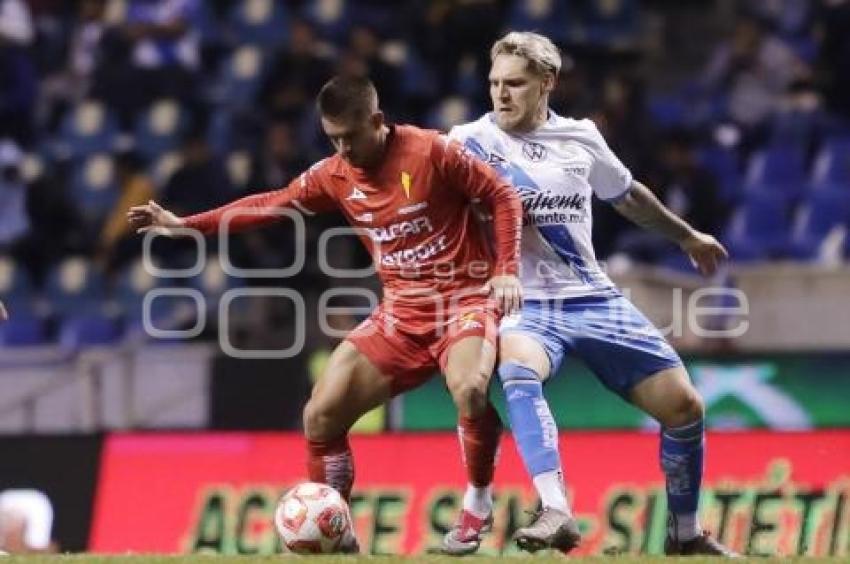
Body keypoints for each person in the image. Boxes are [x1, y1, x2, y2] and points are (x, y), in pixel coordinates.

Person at [128, 75, 523, 553]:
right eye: (333, 138)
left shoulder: (433, 151)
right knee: (320, 416)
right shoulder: (333, 174)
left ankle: (478, 502)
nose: (343, 148)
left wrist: (506, 270)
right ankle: (336, 537)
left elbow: (502, 195)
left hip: (463, 300)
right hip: (401, 313)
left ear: (377, 121)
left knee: (468, 388)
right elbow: (270, 204)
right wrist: (185, 225)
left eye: (350, 137)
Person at [446, 32, 736, 556]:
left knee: (684, 406)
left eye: (515, 83)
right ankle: (555, 508)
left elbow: (627, 197)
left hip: (594, 297)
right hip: (524, 303)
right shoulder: (466, 141)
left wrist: (686, 237)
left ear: (547, 83)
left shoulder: (581, 136)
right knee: (518, 369)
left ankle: (685, 532)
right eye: (493, 84)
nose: (501, 94)